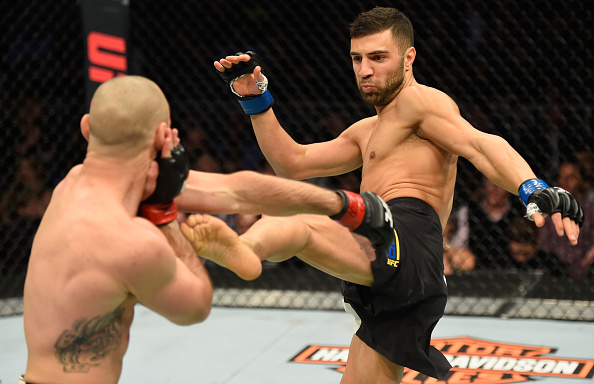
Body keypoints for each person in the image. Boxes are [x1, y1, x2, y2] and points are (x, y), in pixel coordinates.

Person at [212, 6, 584, 383]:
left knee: (293, 219)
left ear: (409, 58)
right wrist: (254, 98)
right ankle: (243, 250)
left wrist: (533, 186)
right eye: (357, 58)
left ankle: (243, 251)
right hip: (390, 262)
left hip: (406, 236)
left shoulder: (421, 104)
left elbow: (481, 144)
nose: (365, 69)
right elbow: (293, 161)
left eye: (377, 57)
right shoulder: (366, 130)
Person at [21, 75, 393, 384]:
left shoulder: (73, 182)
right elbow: (194, 308)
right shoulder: (132, 243)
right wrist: (165, 214)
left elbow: (237, 189)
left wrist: (343, 205)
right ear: (161, 138)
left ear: (87, 128)